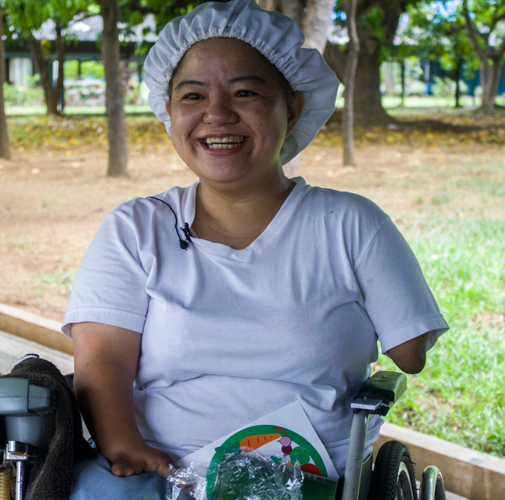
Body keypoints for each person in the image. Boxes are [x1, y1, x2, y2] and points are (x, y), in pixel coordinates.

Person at [61, 0, 449, 497]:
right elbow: (103, 363)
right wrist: (123, 446)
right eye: (193, 95)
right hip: (158, 472)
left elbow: (409, 353)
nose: (216, 114)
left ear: (292, 107)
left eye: (244, 91)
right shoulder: (135, 230)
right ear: (170, 111)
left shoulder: (351, 225)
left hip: (303, 483)